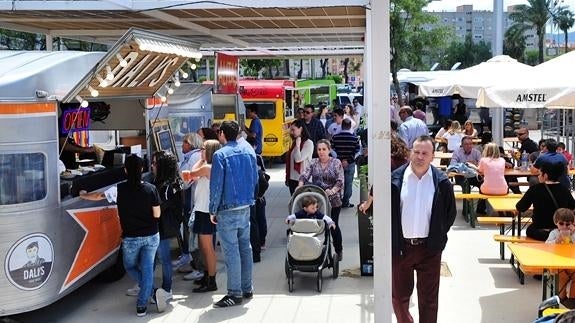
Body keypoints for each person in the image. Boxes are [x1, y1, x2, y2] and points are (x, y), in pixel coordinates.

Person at [79, 155, 166, 316]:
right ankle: (144, 303)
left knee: (130, 266)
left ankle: (149, 294)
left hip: (131, 237)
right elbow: (157, 214)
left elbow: (98, 196)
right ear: (141, 169)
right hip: (151, 235)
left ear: (125, 170)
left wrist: (83, 194)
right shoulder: (150, 189)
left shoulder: (118, 189)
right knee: (147, 270)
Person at [391, 135, 456, 323]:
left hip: (429, 249)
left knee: (429, 300)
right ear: (411, 152)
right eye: (416, 152)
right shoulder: (396, 179)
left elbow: (449, 214)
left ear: (432, 156)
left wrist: (438, 236)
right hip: (401, 248)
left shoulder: (442, 182)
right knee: (399, 298)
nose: (420, 156)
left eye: (424, 153)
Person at [209, 120, 258, 308]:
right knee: (245, 248)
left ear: (221, 133)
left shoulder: (220, 155)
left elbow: (216, 185)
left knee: (231, 252)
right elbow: (254, 179)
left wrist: (213, 209)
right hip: (245, 206)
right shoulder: (248, 151)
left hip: (227, 208)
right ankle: (247, 287)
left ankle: (234, 293)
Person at [299, 139, 344, 261]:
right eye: (319, 149)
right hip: (317, 200)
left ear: (329, 150)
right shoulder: (313, 162)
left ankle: (338, 249)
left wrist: (333, 190)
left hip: (333, 200)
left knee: (333, 225)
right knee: (316, 225)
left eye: (324, 149)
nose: (321, 152)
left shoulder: (336, 163)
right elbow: (304, 175)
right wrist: (300, 184)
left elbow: (340, 180)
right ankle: (316, 249)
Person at [186, 139, 221, 293]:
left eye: (203, 149)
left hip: (206, 211)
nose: (200, 151)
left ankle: (211, 280)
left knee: (208, 249)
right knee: (204, 247)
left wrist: (201, 159)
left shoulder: (208, 167)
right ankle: (207, 275)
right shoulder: (211, 166)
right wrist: (202, 158)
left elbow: (189, 175)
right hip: (202, 210)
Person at [151, 151, 184, 301]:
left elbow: (165, 206)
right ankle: (154, 286)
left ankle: (167, 287)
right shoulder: (172, 182)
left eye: (155, 163)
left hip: (163, 227)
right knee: (156, 258)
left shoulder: (168, 186)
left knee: (162, 258)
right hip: (164, 226)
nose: (152, 166)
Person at [516, 162, 575, 241]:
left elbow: (520, 207)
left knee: (529, 229)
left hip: (540, 232)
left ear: (545, 175)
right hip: (559, 231)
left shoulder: (535, 189)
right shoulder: (564, 190)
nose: (538, 176)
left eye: (540, 174)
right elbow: (572, 207)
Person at [175, 133, 204, 279]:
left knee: (192, 234)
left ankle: (199, 267)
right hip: (194, 200)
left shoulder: (193, 158)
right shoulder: (193, 156)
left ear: (191, 144)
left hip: (194, 201)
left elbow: (186, 181)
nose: (182, 145)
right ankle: (195, 264)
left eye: (185, 142)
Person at [358, 134, 409, 214]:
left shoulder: (386, 161)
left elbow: (378, 182)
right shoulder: (407, 161)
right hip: (405, 200)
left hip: (389, 201)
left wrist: (367, 203)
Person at [545, 208, 575, 300]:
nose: (564, 227)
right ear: (556, 223)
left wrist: (572, 234)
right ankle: (561, 298)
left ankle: (572, 299)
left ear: (572, 223)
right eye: (561, 224)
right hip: (557, 262)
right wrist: (556, 241)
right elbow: (546, 246)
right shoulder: (554, 233)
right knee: (562, 276)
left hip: (571, 261)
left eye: (568, 224)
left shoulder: (573, 234)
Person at [331, 118, 360, 208]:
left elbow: (331, 150)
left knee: (337, 182)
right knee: (348, 183)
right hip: (350, 164)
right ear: (350, 126)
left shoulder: (335, 137)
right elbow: (357, 151)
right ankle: (345, 202)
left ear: (342, 126)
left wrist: (339, 159)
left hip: (337, 163)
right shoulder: (355, 138)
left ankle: (337, 200)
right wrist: (347, 160)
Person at [285, 119, 314, 195]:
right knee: (294, 203)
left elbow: (298, 159)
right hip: (292, 178)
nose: (291, 132)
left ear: (301, 128)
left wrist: (298, 146)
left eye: (293, 129)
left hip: (303, 179)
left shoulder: (308, 143)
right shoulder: (295, 142)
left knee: (303, 203)